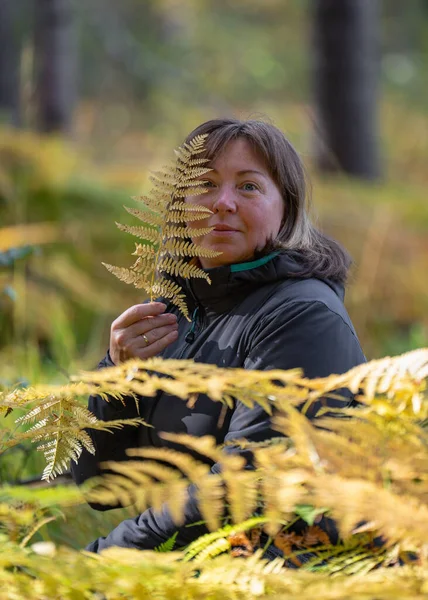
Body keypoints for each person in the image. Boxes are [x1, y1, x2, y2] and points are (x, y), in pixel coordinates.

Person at [71, 118, 366, 554]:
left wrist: (106, 560)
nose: (222, 203)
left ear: (286, 208)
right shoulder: (178, 310)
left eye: (248, 187)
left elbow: (243, 486)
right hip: (187, 561)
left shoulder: (303, 316)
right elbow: (101, 486)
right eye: (205, 184)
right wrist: (118, 377)